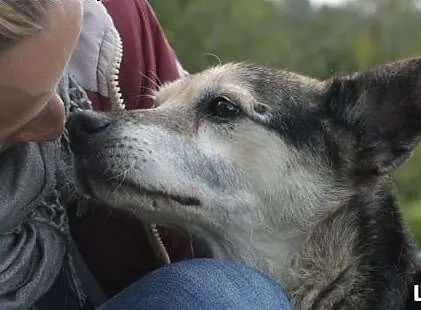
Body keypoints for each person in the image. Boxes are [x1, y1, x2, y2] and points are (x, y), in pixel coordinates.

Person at [0, 0, 291, 309]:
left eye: (58, 81)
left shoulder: (111, 25)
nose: (64, 122)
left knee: (230, 295)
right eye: (17, 118)